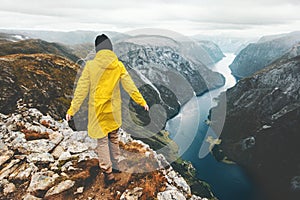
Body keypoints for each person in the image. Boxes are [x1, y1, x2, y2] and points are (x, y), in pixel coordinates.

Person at [66, 34, 149, 186]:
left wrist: (72, 109)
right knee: (114, 137)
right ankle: (116, 164)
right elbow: (129, 85)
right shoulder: (118, 65)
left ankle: (108, 172)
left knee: (102, 141)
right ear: (110, 48)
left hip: (98, 111)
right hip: (114, 110)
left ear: (97, 49)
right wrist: (141, 101)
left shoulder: (91, 66)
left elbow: (81, 91)